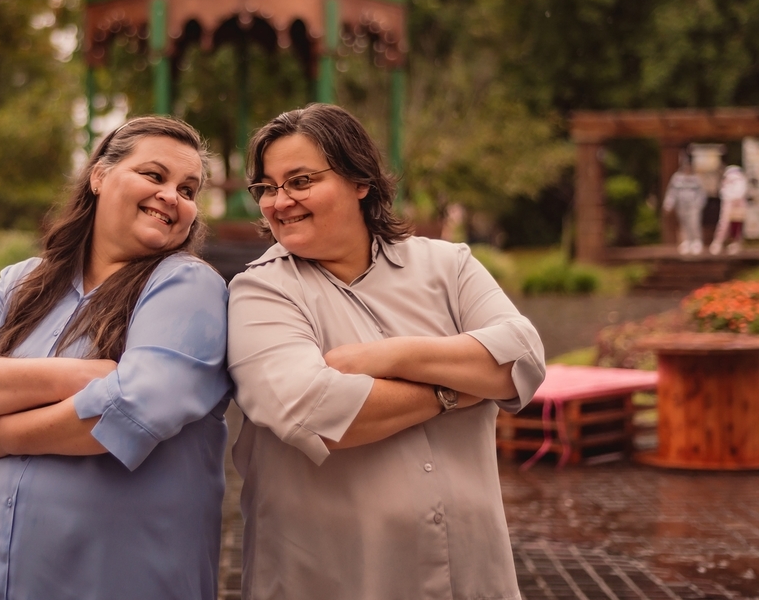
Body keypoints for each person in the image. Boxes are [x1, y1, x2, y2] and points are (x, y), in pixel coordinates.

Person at [228, 104, 545, 600]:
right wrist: (456, 390)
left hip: (472, 572)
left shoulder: (448, 265)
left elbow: (523, 357)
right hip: (334, 576)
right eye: (267, 187)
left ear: (361, 180)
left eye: (300, 180)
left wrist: (390, 357)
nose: (279, 201)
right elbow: (316, 412)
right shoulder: (259, 293)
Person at [0, 116, 231, 600]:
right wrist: (91, 373)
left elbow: (133, 407)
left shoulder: (186, 285)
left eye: (188, 189)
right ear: (99, 176)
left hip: (119, 579)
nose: (173, 195)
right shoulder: (22, 283)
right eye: (154, 175)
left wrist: (2, 431)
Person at [662, 153, 707, 255]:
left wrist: (699, 205)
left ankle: (696, 241)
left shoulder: (696, 178)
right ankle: (686, 242)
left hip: (693, 206)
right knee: (684, 224)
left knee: (694, 223)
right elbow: (672, 192)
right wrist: (668, 204)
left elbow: (702, 193)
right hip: (681, 205)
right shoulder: (677, 178)